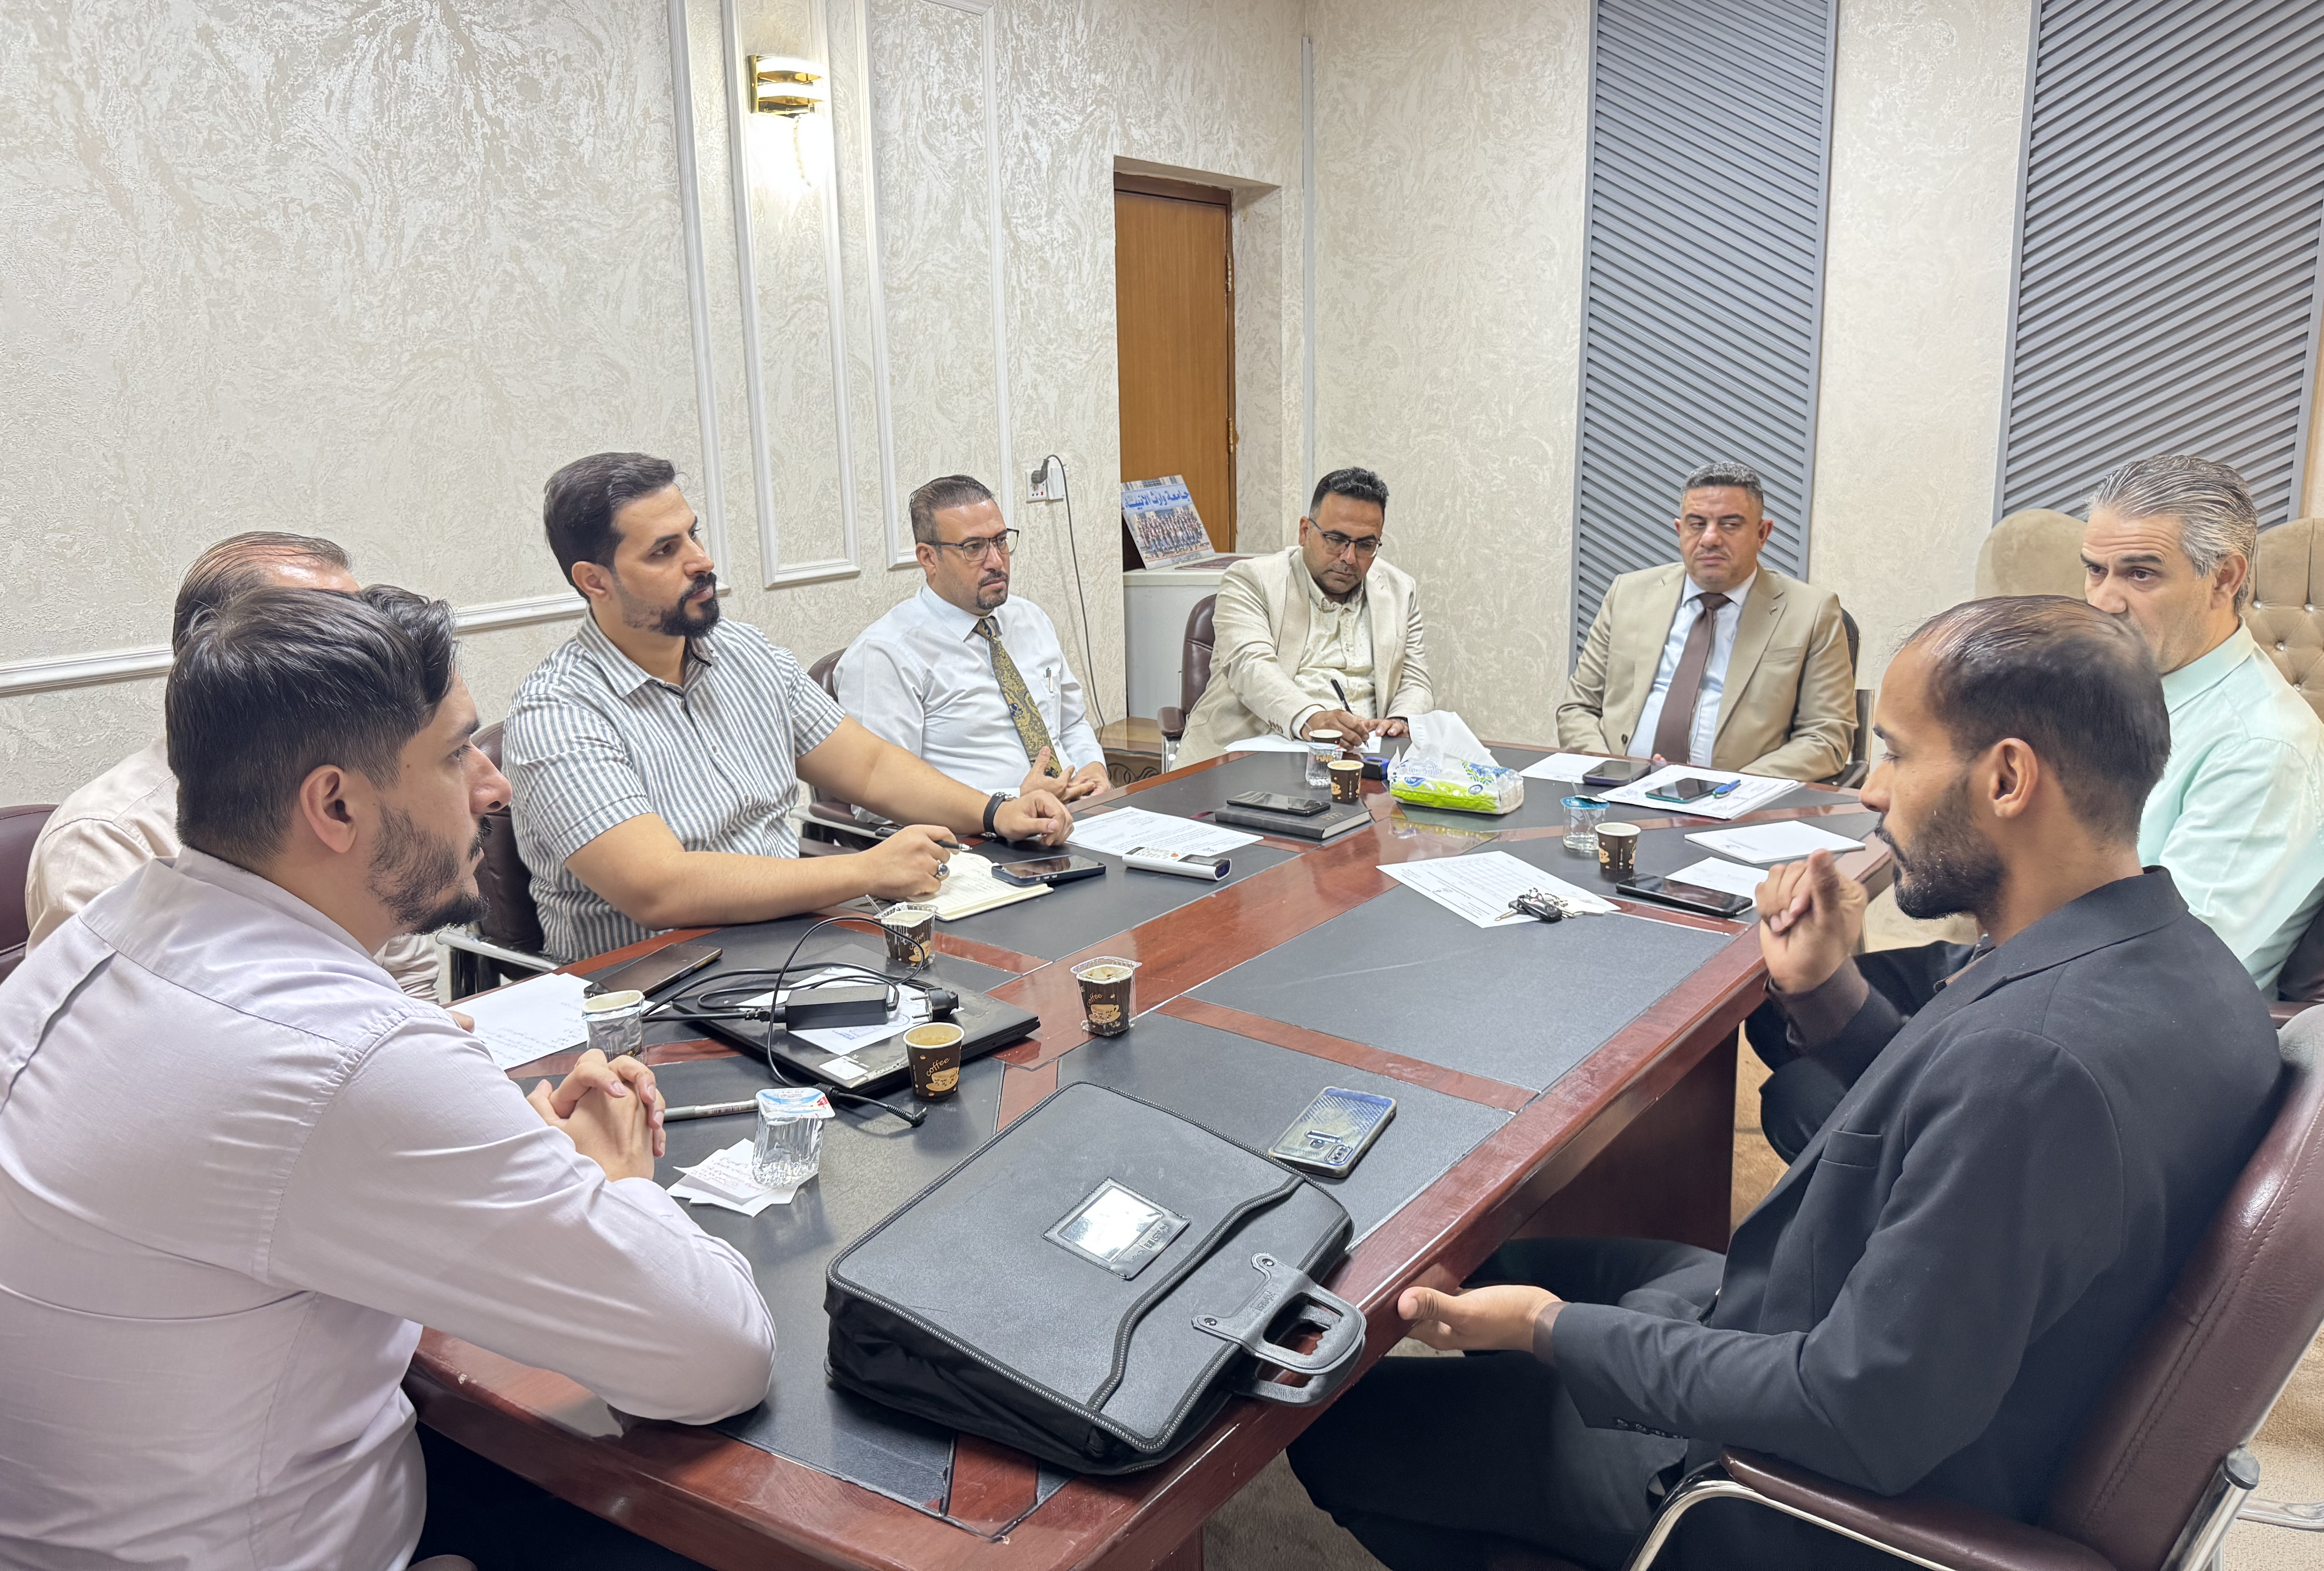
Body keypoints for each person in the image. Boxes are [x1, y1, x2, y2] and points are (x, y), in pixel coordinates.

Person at [1290, 596, 2278, 1571]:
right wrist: (1824, 989)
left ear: (2008, 778)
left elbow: (1859, 1409)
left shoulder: (2037, 1069)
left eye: (1897, 753)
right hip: (1836, 1309)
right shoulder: (2183, 965)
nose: (1874, 792)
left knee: (1342, 1425)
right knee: (1492, 1263)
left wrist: (1548, 1332)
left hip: (1788, 1487)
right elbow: (1952, 1118)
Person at [0, 585, 775, 1569]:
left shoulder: (91, 946)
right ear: (336, 805)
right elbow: (715, 1360)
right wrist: (618, 1183)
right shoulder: (342, 1055)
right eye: (456, 754)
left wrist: (482, 1149)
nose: (493, 786)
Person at [505, 453, 1073, 964]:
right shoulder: (558, 712)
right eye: (664, 551)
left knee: (1022, 977)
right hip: (653, 987)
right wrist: (866, 869)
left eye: (693, 535)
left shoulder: (744, 653)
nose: (701, 560)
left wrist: (995, 812)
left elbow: (870, 767)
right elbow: (661, 888)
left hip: (795, 940)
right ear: (595, 581)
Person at [24, 530, 439, 999]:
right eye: (326, 633)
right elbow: (109, 1026)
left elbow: (409, 976)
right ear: (219, 657)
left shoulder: (361, 789)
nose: (368, 660)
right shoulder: (106, 837)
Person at [2082, 454, 2324, 994]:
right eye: (2096, 570)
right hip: (2042, 968)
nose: (2103, 602)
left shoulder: (2263, 747)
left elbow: (2166, 968)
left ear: (2224, 579)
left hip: (2128, 1019)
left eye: (2140, 574)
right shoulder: (2106, 683)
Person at [1557, 461, 1855, 781]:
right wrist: (1611, 770)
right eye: (1697, 524)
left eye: (1730, 525)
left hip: (1735, 799)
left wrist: (1731, 787)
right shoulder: (1628, 594)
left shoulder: (1812, 613)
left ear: (1762, 534)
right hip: (1615, 790)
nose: (1710, 539)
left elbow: (1826, 738)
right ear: (1680, 530)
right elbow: (1578, 708)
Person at [837, 474, 1114, 808]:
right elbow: (880, 798)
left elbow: (1070, 723)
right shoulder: (886, 654)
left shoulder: (1029, 619)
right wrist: (1014, 803)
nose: (996, 562)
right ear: (928, 558)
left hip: (1079, 813)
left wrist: (1092, 768)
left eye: (1000, 541)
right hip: (979, 832)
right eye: (974, 548)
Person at [1174, 466, 1433, 763]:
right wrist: (1312, 718)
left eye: (1366, 545)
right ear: (1305, 531)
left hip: (1361, 762)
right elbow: (1251, 667)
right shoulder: (1251, 579)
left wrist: (1400, 720)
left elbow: (1415, 679)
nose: (1349, 558)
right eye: (1335, 539)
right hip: (1250, 757)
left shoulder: (1399, 589)